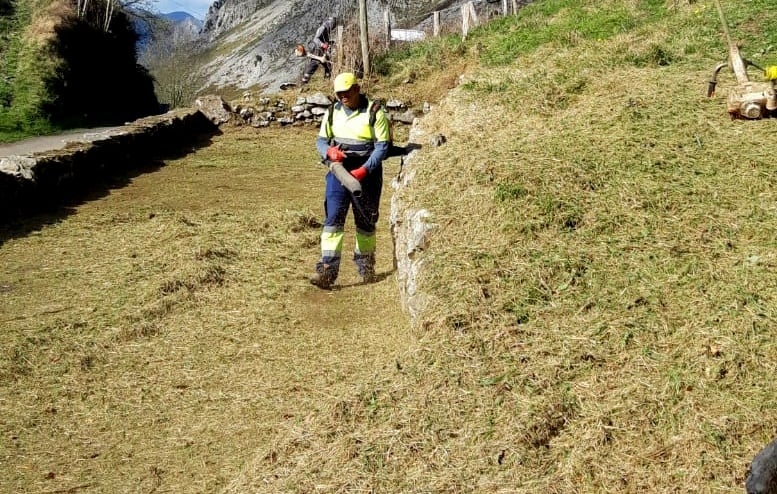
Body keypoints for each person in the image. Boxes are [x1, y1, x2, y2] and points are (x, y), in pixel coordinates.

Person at [310, 72, 391, 289]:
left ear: (357, 89)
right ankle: (327, 270)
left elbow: (382, 147)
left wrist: (364, 171)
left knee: (365, 221)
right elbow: (320, 140)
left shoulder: (375, 112)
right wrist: (329, 151)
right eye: (339, 93)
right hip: (338, 172)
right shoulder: (332, 112)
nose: (343, 97)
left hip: (367, 175)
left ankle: (366, 266)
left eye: (347, 92)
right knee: (333, 219)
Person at [301, 16, 336, 85]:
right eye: (333, 24)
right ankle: (303, 83)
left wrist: (329, 43)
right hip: (317, 50)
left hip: (323, 51)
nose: (333, 27)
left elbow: (325, 40)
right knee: (313, 65)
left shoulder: (327, 30)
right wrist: (323, 45)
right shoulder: (322, 28)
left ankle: (326, 81)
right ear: (331, 23)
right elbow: (316, 39)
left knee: (328, 66)